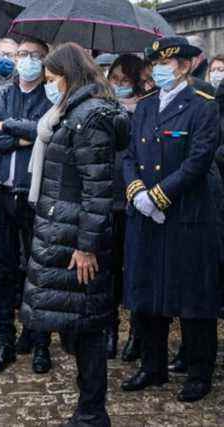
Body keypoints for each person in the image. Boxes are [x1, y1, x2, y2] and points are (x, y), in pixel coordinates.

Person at [22, 42, 124, 427]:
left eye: (52, 79)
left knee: (88, 326)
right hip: (62, 229)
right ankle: (88, 406)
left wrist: (86, 247)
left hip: (77, 239)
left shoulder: (90, 116)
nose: (49, 86)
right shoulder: (74, 111)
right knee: (76, 325)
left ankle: (93, 412)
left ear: (70, 75)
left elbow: (97, 189)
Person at [121, 36, 221, 403]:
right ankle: (153, 365)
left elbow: (199, 159)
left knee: (194, 297)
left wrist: (160, 196)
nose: (160, 70)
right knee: (148, 291)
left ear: (185, 66)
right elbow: (129, 154)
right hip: (146, 215)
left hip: (187, 215)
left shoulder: (203, 105)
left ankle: (198, 371)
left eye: (168, 64)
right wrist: (137, 194)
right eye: (156, 64)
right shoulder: (145, 107)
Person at [0, 37, 53, 374]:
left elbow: (49, 131)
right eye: (22, 54)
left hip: (35, 198)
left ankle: (40, 341)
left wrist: (10, 127)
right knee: (2, 270)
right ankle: (5, 339)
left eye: (35, 55)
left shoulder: (51, 96)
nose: (27, 60)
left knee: (38, 271)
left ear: (45, 61)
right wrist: (21, 138)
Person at [105, 54, 148, 362]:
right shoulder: (103, 106)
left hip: (135, 196)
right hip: (107, 196)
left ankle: (137, 332)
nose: (119, 86)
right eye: (115, 80)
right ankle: (109, 330)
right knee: (108, 270)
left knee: (135, 269)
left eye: (125, 81)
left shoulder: (146, 108)